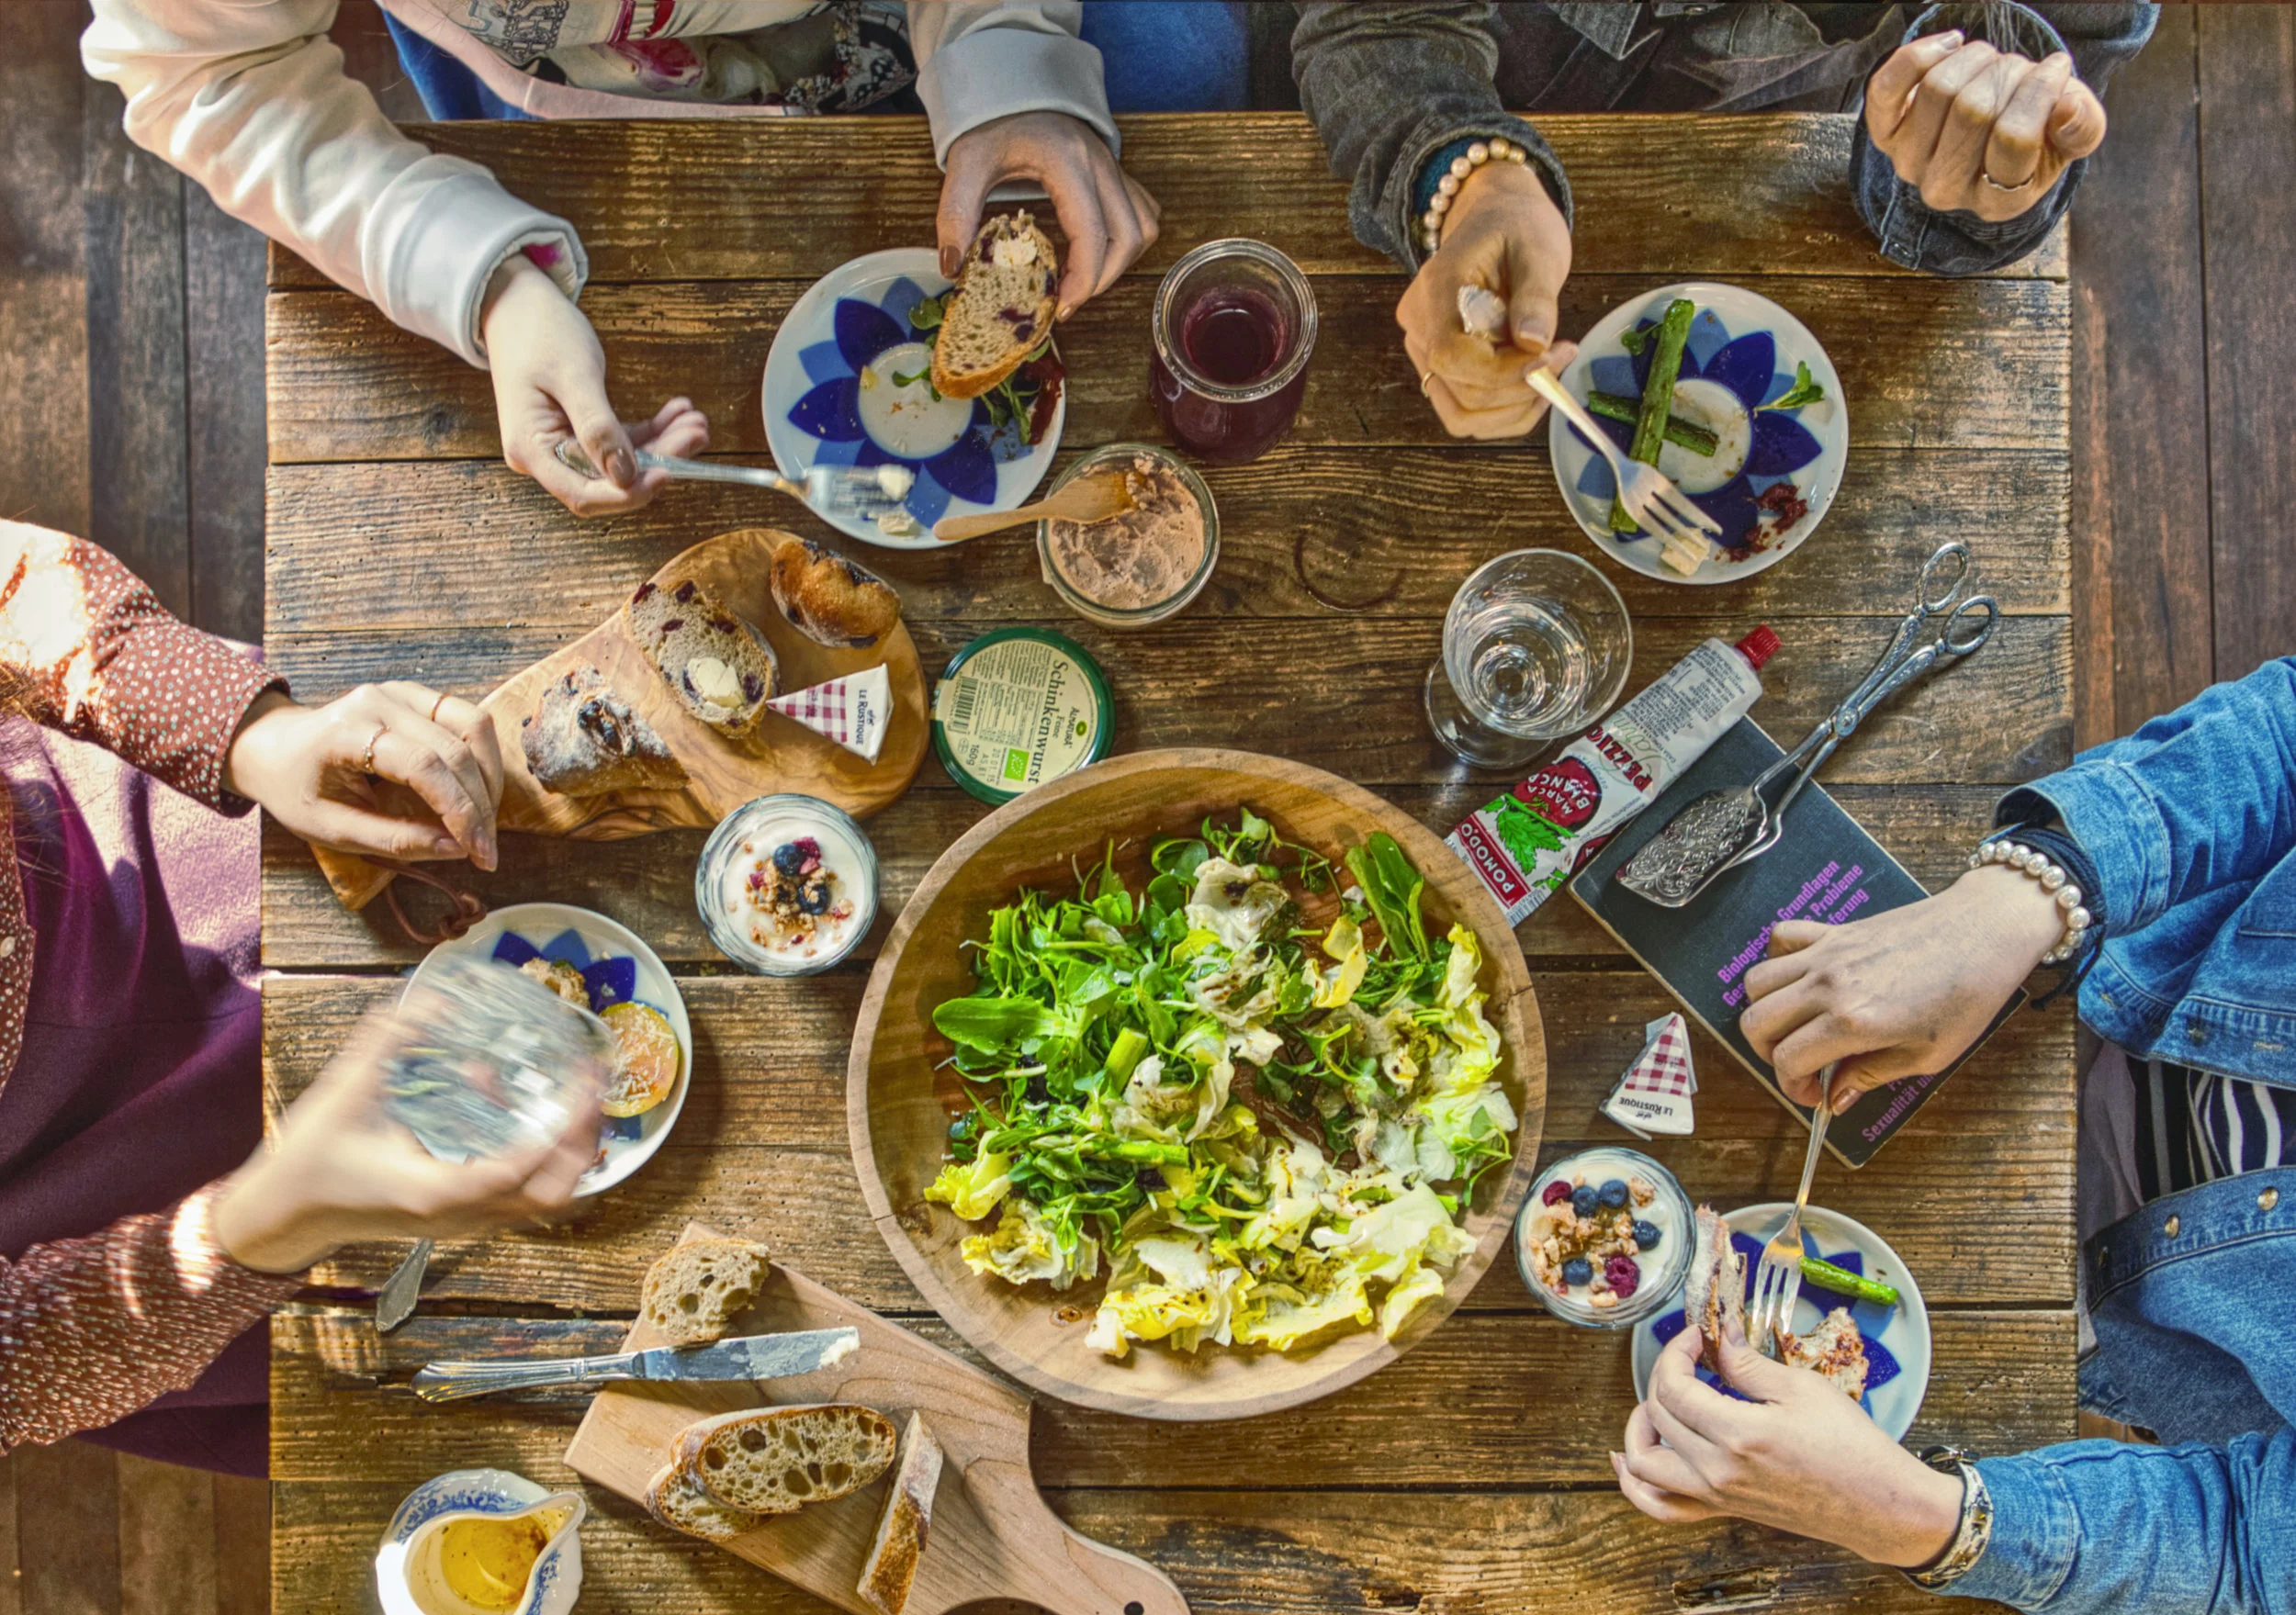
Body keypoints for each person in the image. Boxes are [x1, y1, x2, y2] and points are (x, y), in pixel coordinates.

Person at [1612, 657, 2296, 1615]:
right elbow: (2279, 741)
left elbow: (2246, 1552)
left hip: (2098, 1316)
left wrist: (1915, 1516)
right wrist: (2025, 896)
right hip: (2098, 970)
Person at [0, 521, 601, 1476]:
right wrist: (277, 1216)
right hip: (117, 1205)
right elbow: (17, 1363)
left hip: (172, 831)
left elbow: (17, 586)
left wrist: (249, 733)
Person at [82, 0, 1171, 517]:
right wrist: (482, 276)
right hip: (566, 84)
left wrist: (1007, 61)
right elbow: (210, 75)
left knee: (1187, 77)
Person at [1289, 2, 2156, 439]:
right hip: (1382, 160)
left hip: (1804, 264)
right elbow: (1381, 21)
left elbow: (2044, 117)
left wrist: (1987, 182)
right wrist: (1473, 178)